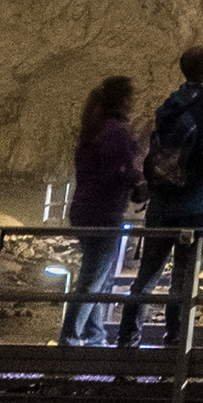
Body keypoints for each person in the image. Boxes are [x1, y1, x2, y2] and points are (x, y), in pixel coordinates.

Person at [121, 46, 203, 347]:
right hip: (200, 206)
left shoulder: (169, 106)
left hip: (163, 205)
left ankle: (126, 345)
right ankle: (175, 346)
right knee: (183, 280)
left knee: (145, 278)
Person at [62, 75, 141, 351]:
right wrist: (136, 181)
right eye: (132, 96)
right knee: (93, 279)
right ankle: (70, 339)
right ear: (123, 100)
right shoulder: (116, 132)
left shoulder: (93, 129)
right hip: (103, 213)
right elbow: (114, 173)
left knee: (99, 277)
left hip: (85, 209)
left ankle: (95, 336)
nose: (135, 102)